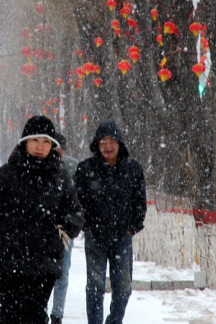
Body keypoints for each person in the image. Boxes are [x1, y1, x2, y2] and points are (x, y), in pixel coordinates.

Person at [0, 116, 84, 323]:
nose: (40, 146)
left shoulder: (59, 176)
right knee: (10, 315)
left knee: (36, 315)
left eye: (46, 141)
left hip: (45, 263)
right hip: (11, 262)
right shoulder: (7, 175)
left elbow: (75, 212)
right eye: (35, 140)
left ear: (52, 146)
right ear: (25, 142)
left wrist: (63, 230)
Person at [74, 121, 147, 324]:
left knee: (123, 287)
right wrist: (86, 225)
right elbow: (77, 201)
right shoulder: (86, 168)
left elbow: (139, 201)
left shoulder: (132, 168)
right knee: (95, 286)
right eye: (103, 141)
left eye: (112, 141)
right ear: (96, 145)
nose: (108, 146)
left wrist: (132, 228)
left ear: (120, 143)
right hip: (95, 236)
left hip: (122, 237)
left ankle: (114, 321)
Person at [48, 132, 79, 324]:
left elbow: (79, 198)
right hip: (44, 229)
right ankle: (41, 311)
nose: (58, 153)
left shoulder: (73, 167)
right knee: (43, 274)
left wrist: (73, 223)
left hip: (65, 231)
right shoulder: (40, 166)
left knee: (63, 273)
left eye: (61, 150)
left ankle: (57, 314)